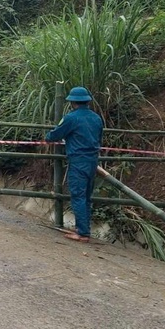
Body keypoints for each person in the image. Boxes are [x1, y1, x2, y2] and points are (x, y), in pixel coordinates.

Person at [45, 87, 104, 242]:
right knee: (86, 196)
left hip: (78, 160)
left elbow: (56, 134)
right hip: (92, 160)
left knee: (78, 195)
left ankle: (83, 233)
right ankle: (82, 228)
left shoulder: (71, 118)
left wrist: (48, 136)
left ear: (72, 102)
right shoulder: (97, 118)